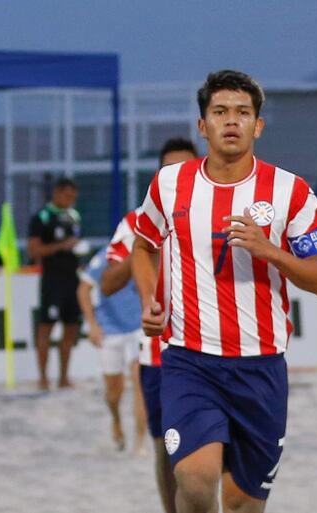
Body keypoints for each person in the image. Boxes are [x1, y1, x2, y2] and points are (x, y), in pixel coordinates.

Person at [132, 70, 317, 513]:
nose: (232, 121)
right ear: (202, 126)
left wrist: (271, 251)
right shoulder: (170, 184)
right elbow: (143, 245)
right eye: (220, 111)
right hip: (189, 360)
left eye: (243, 113)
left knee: (243, 504)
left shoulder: (290, 191)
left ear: (258, 126)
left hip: (261, 368)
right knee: (197, 480)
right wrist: (150, 299)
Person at [100, 137, 198, 513]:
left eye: (184, 168)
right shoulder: (135, 221)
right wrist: (146, 244)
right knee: (165, 449)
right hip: (158, 353)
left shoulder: (224, 210)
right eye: (168, 170)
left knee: (213, 454)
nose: (177, 176)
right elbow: (108, 285)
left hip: (216, 347)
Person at [77, 245, 147, 452]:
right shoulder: (106, 255)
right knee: (113, 393)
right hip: (111, 331)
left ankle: (139, 442)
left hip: (138, 329)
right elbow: (83, 289)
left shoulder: (145, 251)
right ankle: (116, 420)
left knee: (140, 383)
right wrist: (92, 324)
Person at [28, 177, 82, 390]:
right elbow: (34, 251)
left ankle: (64, 377)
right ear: (57, 193)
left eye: (73, 197)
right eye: (68, 196)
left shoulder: (74, 216)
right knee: (46, 328)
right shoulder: (42, 216)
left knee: (71, 328)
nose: (71, 200)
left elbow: (74, 242)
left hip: (73, 278)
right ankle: (43, 377)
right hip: (52, 280)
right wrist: (62, 246)